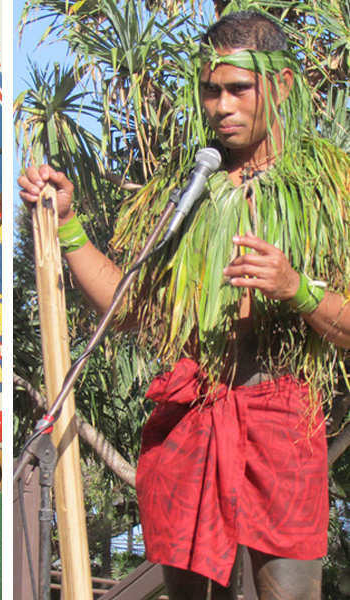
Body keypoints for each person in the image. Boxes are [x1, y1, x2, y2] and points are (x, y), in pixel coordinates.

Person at [18, 10, 350, 600]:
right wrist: (69, 226)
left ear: (281, 85)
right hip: (193, 421)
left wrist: (297, 289)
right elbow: (130, 312)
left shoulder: (332, 190)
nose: (221, 106)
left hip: (282, 424)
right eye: (210, 90)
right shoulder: (184, 193)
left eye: (238, 89)